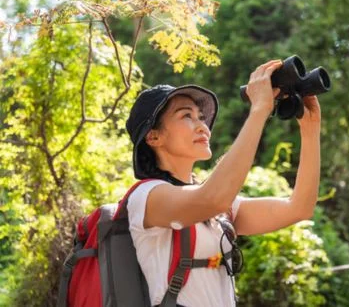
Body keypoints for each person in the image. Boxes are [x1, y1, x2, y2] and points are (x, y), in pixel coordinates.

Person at [125, 59, 321, 307]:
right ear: (154, 136)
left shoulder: (221, 212)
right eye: (187, 116)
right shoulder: (147, 197)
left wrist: (310, 129)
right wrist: (259, 109)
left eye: (201, 117)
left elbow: (300, 208)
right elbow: (212, 198)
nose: (203, 127)